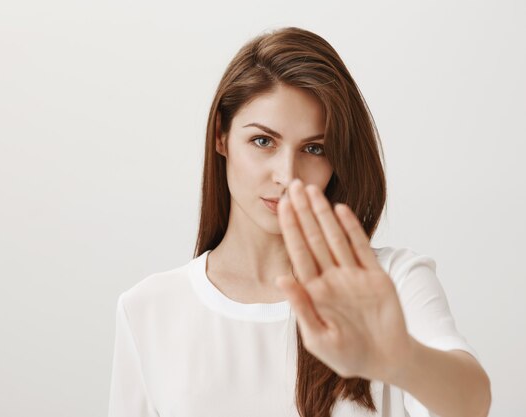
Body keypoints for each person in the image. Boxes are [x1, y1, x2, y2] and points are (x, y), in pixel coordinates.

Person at [107, 26, 491, 417]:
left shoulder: (391, 283)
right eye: (263, 141)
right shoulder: (148, 310)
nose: (287, 175)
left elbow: (473, 404)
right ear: (221, 136)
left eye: (314, 148)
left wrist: (401, 360)